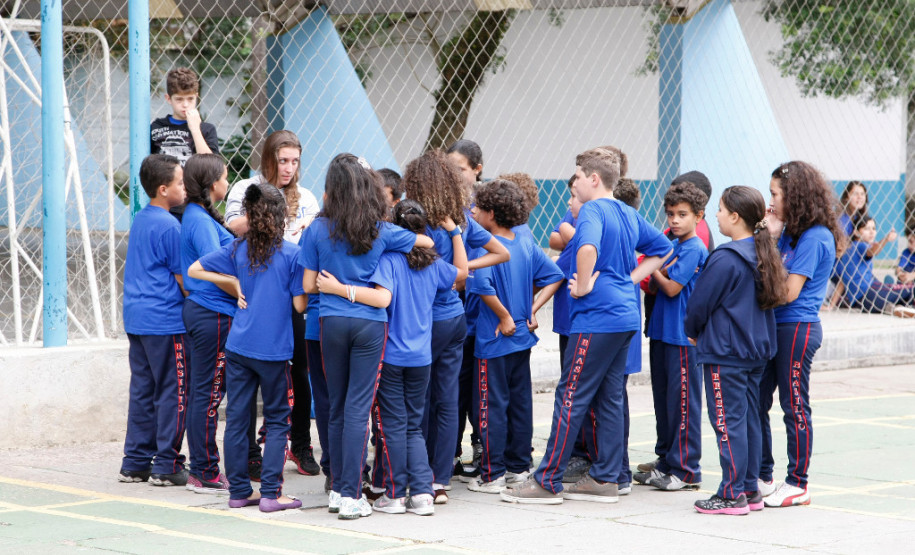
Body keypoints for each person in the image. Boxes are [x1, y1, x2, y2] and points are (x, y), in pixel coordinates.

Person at [501, 146, 671, 504]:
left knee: (570, 396)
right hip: (624, 316)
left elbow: (587, 248)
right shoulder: (626, 211)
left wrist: (582, 283)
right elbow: (663, 248)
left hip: (598, 317)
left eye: (577, 175)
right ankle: (607, 478)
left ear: (593, 179)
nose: (574, 182)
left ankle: (547, 480)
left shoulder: (593, 209)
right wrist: (628, 279)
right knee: (609, 398)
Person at [300, 153, 434, 520]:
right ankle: (351, 494)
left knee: (336, 407)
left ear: (332, 190)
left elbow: (309, 285)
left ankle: (336, 489)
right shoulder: (381, 230)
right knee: (358, 409)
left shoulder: (317, 229)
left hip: (330, 322)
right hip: (370, 325)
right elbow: (424, 243)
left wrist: (334, 284)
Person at [189, 183, 306, 513]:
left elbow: (195, 269)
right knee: (278, 420)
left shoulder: (238, 249)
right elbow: (299, 305)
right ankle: (271, 493)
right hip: (273, 351)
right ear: (281, 216)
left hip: (239, 346)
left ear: (250, 216)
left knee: (238, 419)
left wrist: (233, 281)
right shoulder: (292, 254)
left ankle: (239, 491)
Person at [406, 148, 509, 502]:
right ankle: (441, 478)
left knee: (419, 398)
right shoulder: (460, 220)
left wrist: (455, 273)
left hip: (424, 319)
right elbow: (501, 252)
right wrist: (460, 273)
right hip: (455, 316)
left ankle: (418, 474)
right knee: (447, 399)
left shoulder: (415, 220)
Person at [225, 130, 321, 480]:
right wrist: (266, 215)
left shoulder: (306, 197)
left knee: (300, 370)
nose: (289, 168)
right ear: (269, 160)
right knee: (253, 375)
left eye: (294, 161)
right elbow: (233, 225)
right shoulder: (247, 188)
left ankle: (300, 443)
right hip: (259, 291)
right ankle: (252, 452)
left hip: (294, 291)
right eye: (282, 161)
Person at [363, 199, 468, 516]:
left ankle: (395, 494)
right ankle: (423, 493)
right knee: (413, 427)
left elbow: (379, 296)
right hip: (422, 357)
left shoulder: (389, 261)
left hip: (392, 356)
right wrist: (456, 234)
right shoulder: (434, 263)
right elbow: (461, 274)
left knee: (394, 425)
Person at [684, 186, 785, 515]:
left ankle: (731, 493)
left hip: (726, 353)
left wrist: (692, 332)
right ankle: (749, 489)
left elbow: (699, 305)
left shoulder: (726, 258)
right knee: (749, 419)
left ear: (736, 217)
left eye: (721, 209)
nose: (716, 215)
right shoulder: (763, 252)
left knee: (727, 423)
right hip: (755, 352)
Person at [465, 179, 564, 494]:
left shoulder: (488, 247)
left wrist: (505, 316)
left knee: (490, 406)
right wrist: (531, 310)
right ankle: (519, 468)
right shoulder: (524, 242)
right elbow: (554, 276)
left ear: (491, 214)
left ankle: (492, 474)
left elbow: (482, 286)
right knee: (520, 403)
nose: (473, 212)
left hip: (494, 340)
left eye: (478, 208)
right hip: (522, 338)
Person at [758, 161, 843, 508]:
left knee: (793, 405)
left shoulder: (815, 237)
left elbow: (788, 291)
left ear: (794, 196)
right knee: (756, 400)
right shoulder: (790, 233)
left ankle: (798, 483)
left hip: (796, 328)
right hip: (776, 325)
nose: (771, 202)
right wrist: (771, 237)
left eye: (775, 194)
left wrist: (771, 241)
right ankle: (763, 475)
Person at [118, 154, 189, 487]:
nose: (184, 188)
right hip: (165, 321)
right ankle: (167, 464)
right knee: (174, 392)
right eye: (180, 183)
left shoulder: (142, 219)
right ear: (163, 189)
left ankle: (134, 462)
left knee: (143, 390)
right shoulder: (170, 226)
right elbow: (184, 281)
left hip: (137, 318)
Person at [637, 182, 709, 491]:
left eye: (682, 214)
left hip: (682, 338)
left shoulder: (693, 248)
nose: (675, 220)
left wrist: (651, 265)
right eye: (670, 214)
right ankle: (666, 461)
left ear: (698, 216)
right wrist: (658, 268)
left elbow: (670, 288)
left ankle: (687, 469)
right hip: (661, 333)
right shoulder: (673, 245)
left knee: (683, 405)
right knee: (664, 402)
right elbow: (655, 286)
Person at [179, 154, 234, 494]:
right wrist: (243, 290)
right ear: (213, 184)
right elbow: (216, 269)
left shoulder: (199, 215)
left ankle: (203, 467)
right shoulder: (199, 220)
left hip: (208, 311)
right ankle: (204, 470)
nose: (227, 182)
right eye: (225, 177)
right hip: (212, 312)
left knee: (204, 391)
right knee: (208, 393)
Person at [835, 217, 913, 316]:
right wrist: (886, 239)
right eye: (867, 229)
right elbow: (872, 251)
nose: (871, 232)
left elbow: (843, 280)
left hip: (859, 302)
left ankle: (893, 307)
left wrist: (831, 305)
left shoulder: (849, 249)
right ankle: (906, 307)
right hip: (870, 294)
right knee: (910, 289)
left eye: (874, 228)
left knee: (882, 283)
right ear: (856, 232)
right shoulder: (860, 245)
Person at [151, 68, 219, 166]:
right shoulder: (157, 127)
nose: (185, 105)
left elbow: (211, 167)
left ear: (196, 97)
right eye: (179, 99)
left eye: (190, 99)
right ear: (168, 98)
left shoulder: (206, 129)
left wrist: (195, 130)